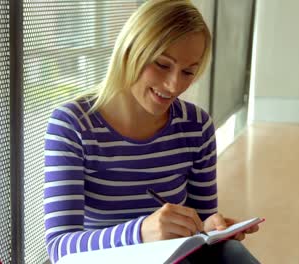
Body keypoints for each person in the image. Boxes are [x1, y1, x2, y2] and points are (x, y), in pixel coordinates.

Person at [43, 0, 260, 263]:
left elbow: (202, 222)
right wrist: (141, 232)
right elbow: (59, 248)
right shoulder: (73, 124)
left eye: (188, 71)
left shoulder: (196, 126)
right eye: (162, 64)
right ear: (129, 50)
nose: (173, 85)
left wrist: (212, 228)